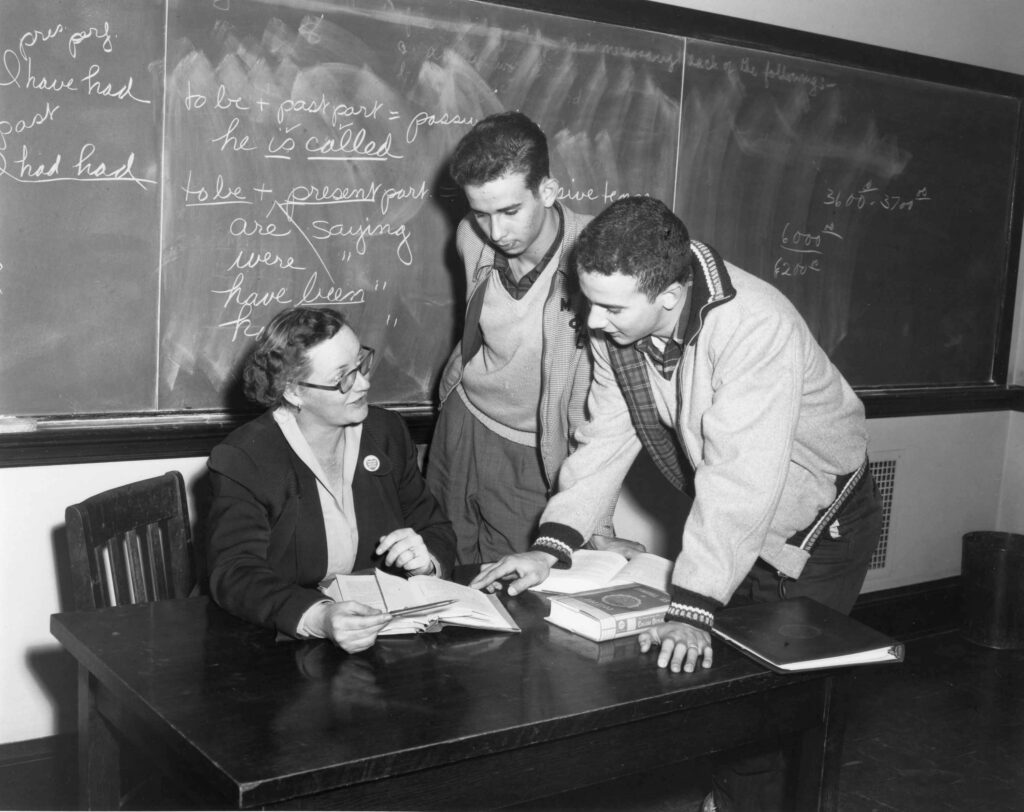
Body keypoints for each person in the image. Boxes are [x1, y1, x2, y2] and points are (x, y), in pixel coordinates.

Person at [471, 196, 882, 812]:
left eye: (610, 307)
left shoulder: (755, 325)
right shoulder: (619, 324)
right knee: (725, 698)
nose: (594, 320)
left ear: (668, 296)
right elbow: (604, 438)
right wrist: (550, 546)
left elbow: (741, 478)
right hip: (736, 525)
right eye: (588, 300)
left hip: (815, 526)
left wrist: (692, 608)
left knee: (772, 708)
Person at [207, 306, 457, 653]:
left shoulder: (386, 433)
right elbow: (234, 572)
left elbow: (435, 526)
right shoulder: (245, 458)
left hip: (381, 634)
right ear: (294, 392)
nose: (365, 383)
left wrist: (425, 559)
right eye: (343, 377)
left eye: (361, 364)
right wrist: (321, 617)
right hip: (274, 644)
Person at [428, 110, 617, 564]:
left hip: (537, 447)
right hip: (462, 420)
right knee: (437, 563)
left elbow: (610, 406)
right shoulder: (469, 237)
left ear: (547, 191)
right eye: (481, 213)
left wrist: (599, 520)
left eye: (511, 211)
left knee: (516, 594)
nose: (496, 232)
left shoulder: (600, 262)